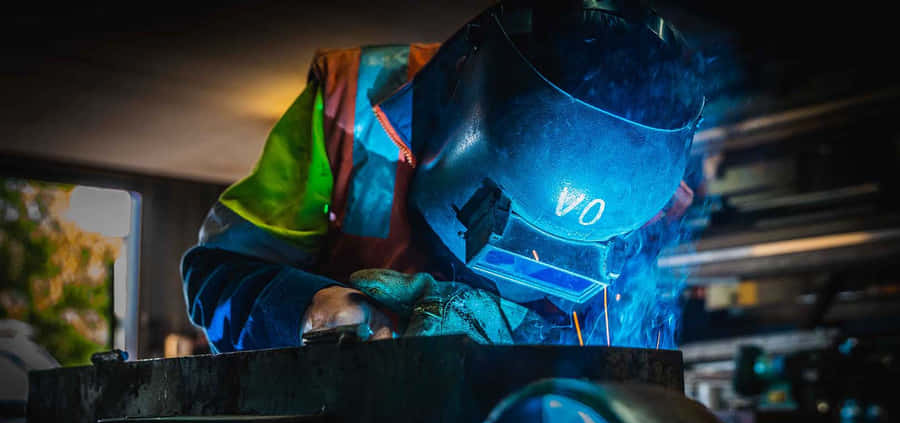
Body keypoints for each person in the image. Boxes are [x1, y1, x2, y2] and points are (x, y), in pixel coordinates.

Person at [181, 0, 704, 353]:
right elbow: (218, 275)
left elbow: (615, 346)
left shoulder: (653, 201)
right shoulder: (350, 103)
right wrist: (315, 311)